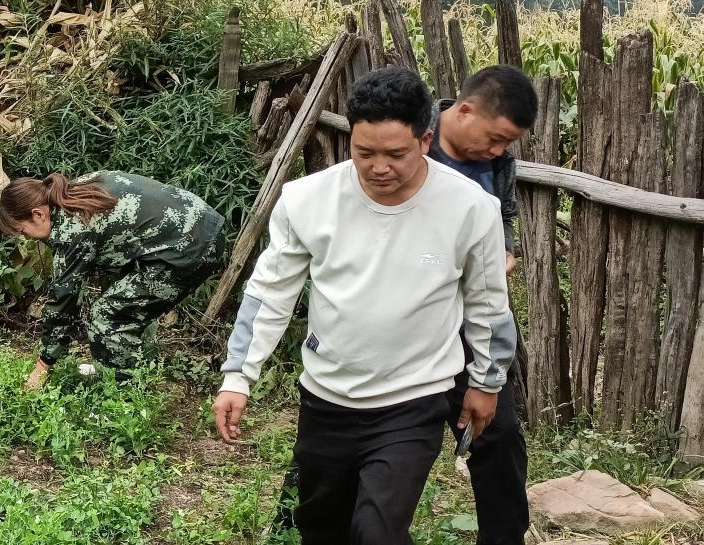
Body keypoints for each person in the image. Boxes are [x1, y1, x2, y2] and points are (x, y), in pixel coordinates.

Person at [210, 67, 516, 544]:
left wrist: (486, 381)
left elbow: (488, 304)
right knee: (321, 530)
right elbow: (270, 292)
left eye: (396, 154)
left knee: (376, 533)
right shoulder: (307, 200)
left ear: (425, 140)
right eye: (364, 152)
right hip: (326, 398)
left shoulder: (471, 208)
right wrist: (238, 377)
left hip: (412, 400)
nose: (379, 168)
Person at [429, 64, 538, 545]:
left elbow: (504, 218)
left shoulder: (499, 165)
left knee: (499, 435)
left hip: (471, 324)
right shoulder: (411, 139)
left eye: (506, 144)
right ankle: (295, 525)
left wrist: (504, 252)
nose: (497, 151)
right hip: (406, 322)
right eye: (495, 139)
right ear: (465, 111)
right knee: (352, 435)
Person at [0, 171, 224, 388]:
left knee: (106, 316)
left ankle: (122, 390)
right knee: (121, 298)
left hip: (191, 248)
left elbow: (63, 300)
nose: (26, 238)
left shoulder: (71, 228)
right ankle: (138, 362)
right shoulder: (77, 190)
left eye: (22, 231)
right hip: (203, 225)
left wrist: (43, 364)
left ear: (38, 214)